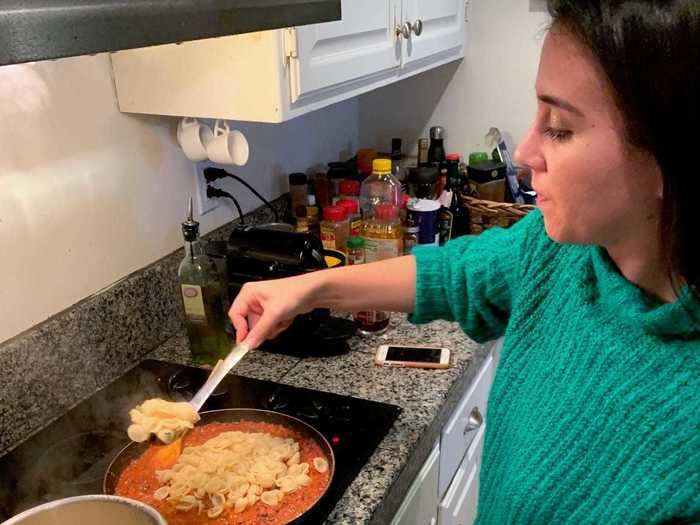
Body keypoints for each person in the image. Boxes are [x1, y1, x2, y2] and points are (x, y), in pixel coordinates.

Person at [229, 1, 699, 522]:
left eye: (560, 128)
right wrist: (308, 288)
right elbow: (450, 273)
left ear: (669, 157)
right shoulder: (558, 250)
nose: (524, 152)